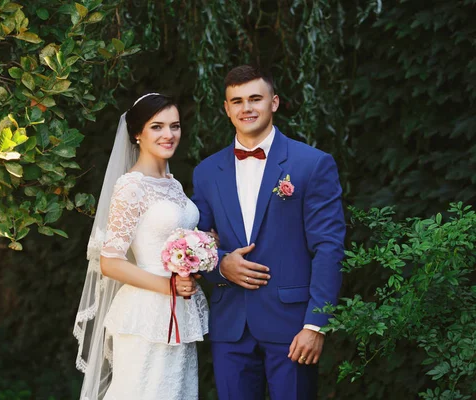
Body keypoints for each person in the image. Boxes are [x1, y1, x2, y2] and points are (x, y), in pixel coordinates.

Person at [192, 65, 345, 399]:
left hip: (293, 326)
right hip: (230, 325)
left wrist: (315, 324)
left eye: (255, 99)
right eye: (237, 101)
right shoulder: (206, 172)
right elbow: (195, 244)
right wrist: (221, 265)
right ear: (227, 108)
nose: (246, 108)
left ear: (274, 102)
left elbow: (329, 248)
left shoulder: (311, 164)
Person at [73, 93, 209, 400]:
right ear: (138, 133)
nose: (168, 134)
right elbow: (111, 262)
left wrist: (195, 262)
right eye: (157, 126)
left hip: (179, 310)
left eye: (174, 126)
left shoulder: (173, 184)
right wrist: (168, 287)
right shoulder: (131, 185)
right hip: (146, 311)